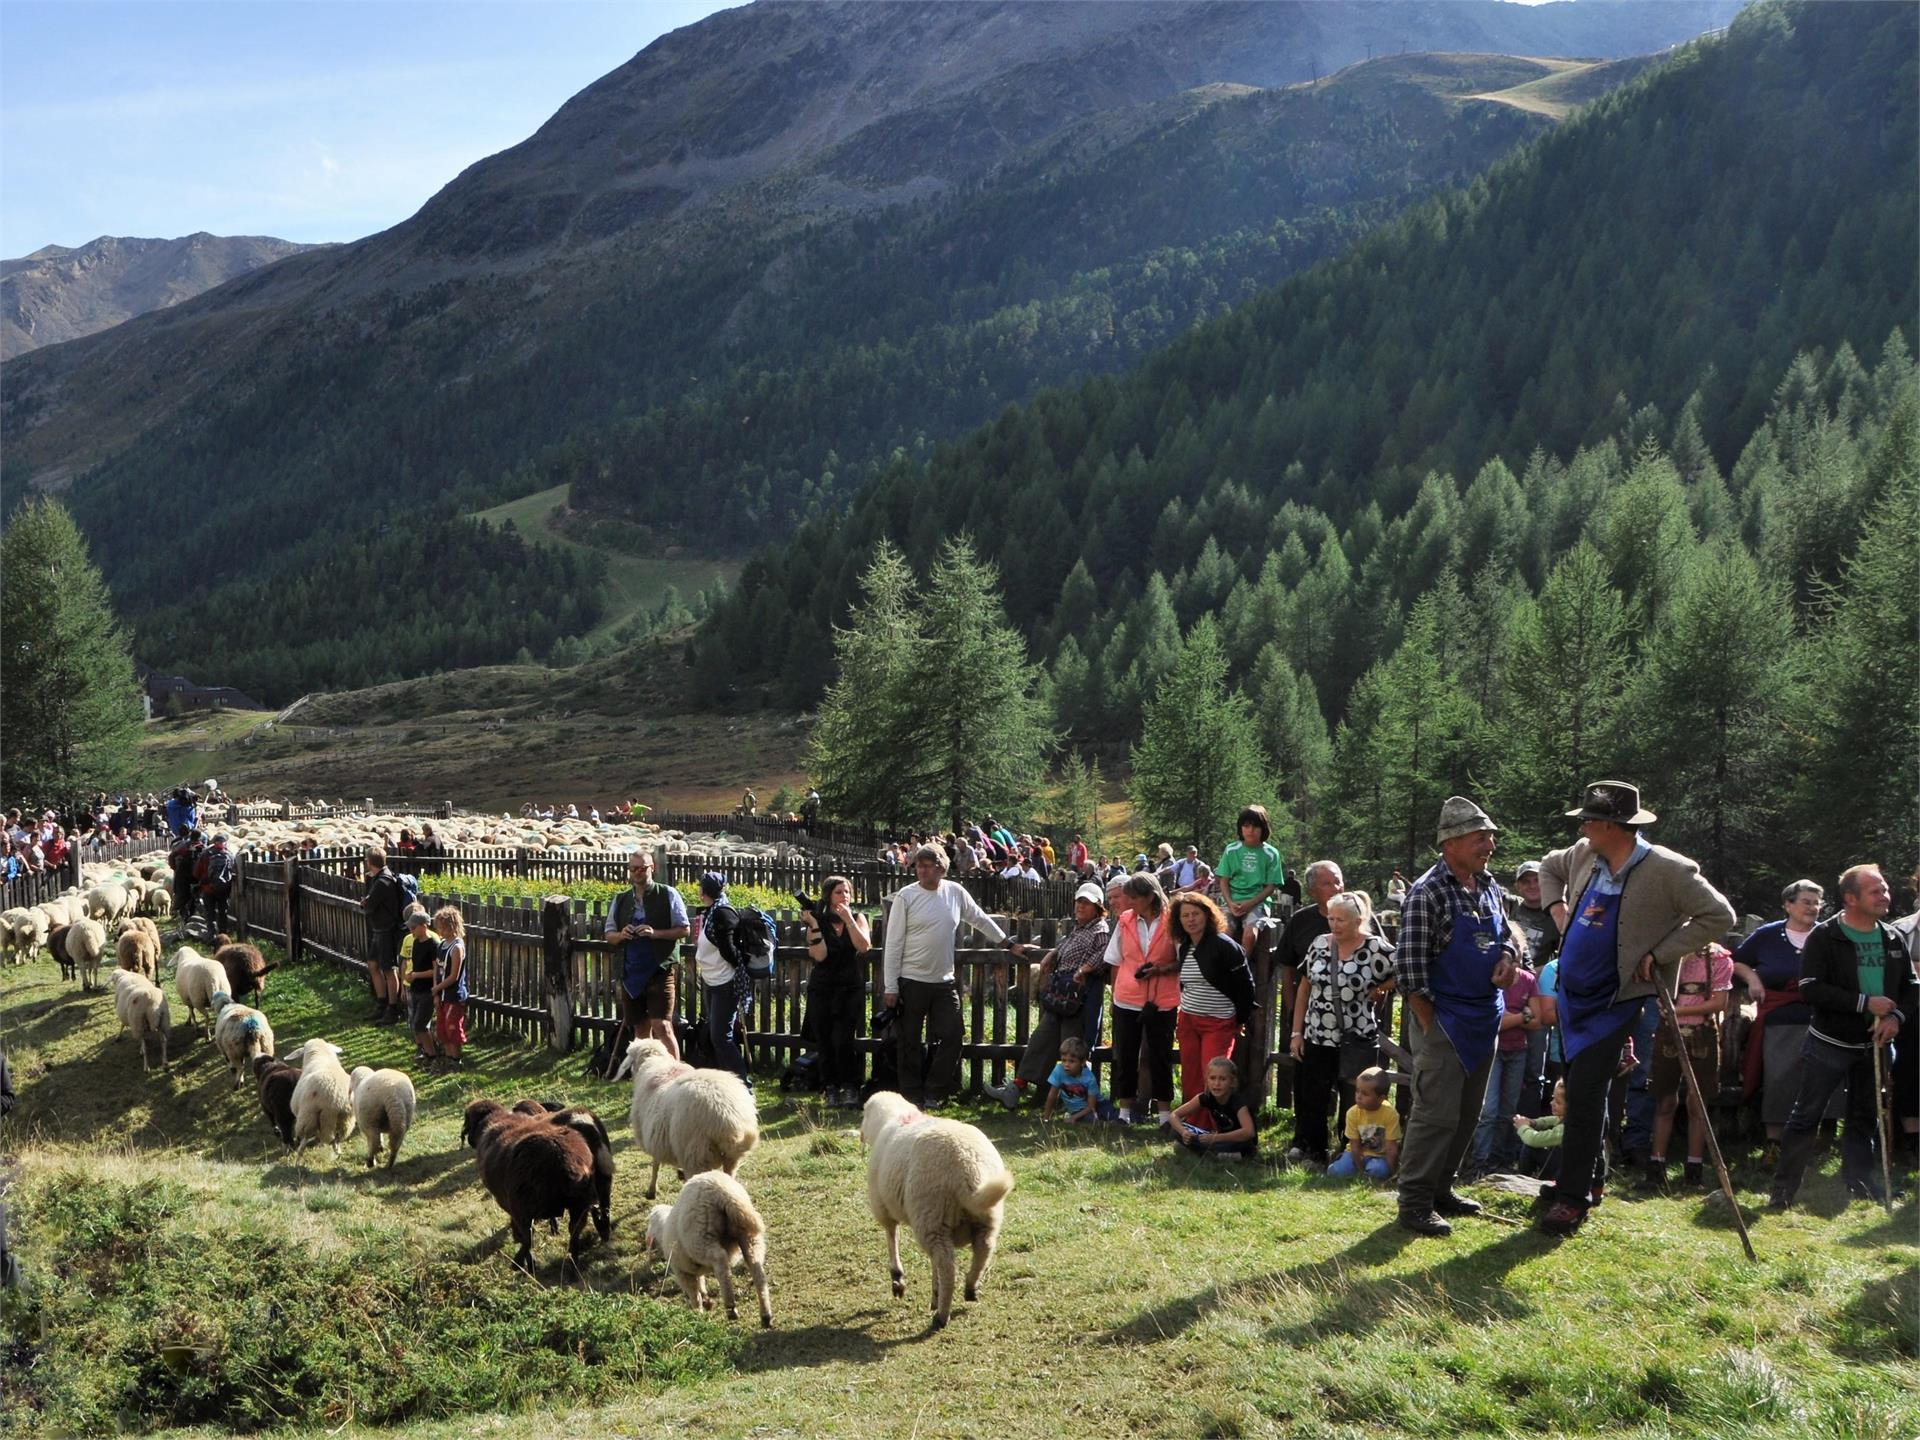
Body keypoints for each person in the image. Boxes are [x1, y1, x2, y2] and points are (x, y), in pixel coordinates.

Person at [1535, 780, 1735, 1236]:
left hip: (1618, 997)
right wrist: (1558, 912)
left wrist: (1662, 952)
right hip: (1573, 995)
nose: (1582, 826)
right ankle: (1590, 1178)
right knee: (1586, 1088)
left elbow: (1718, 916)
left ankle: (1572, 1199)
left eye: (1589, 819)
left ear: (1612, 826)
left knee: (1585, 1092)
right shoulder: (1585, 854)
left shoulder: (1668, 869)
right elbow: (1549, 867)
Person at [1394, 796, 1521, 1238]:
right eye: (1480, 837)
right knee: (1434, 1117)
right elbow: (1409, 970)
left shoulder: (1488, 885)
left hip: (1485, 1018)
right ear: (1450, 844)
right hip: (1444, 1022)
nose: (1490, 845)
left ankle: (1442, 1190)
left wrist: (1509, 955)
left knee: (1467, 1115)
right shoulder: (1428, 892)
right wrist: (1432, 1028)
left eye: (1490, 837)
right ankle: (1413, 1203)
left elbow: (1509, 934)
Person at [1769, 864, 1915, 1208]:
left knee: (1865, 1116)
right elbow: (1810, 988)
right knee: (1807, 1115)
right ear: (1851, 898)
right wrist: (1865, 1002)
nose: (1886, 896)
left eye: (1885, 889)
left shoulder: (1892, 937)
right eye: (1876, 891)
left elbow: (1911, 987)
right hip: (1829, 1043)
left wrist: (1895, 1016)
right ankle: (1784, 1191)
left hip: (1876, 1044)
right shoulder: (1825, 936)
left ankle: (1861, 1184)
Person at [884, 844, 1032, 1108]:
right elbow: (893, 943)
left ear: (941, 867)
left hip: (943, 981)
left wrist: (1008, 945)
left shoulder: (955, 892)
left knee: (952, 1036)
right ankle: (911, 1096)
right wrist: (891, 986)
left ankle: (934, 1092)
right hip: (911, 980)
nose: (922, 869)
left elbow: (979, 918)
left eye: (928, 865)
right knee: (909, 1042)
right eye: (919, 865)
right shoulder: (906, 897)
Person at [1288, 889, 1395, 1165]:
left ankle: (1357, 1154)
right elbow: (1304, 989)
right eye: (1331, 919)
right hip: (1318, 1034)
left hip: (1357, 1036)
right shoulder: (1319, 944)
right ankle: (1315, 1152)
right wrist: (1297, 1032)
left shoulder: (1375, 948)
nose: (1334, 925)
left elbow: (1404, 972)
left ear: (1358, 920)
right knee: (1314, 1096)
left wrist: (1381, 988)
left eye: (1341, 920)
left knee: (1359, 1097)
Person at [986, 881, 1113, 1111]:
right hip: (1061, 997)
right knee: (1040, 1041)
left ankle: (1073, 1101)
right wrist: (1052, 954)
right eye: (1078, 901)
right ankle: (1017, 1088)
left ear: (1098, 907)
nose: (1080, 906)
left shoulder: (1100, 930)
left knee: (1071, 1048)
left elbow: (1103, 955)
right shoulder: (1079, 929)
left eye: (1086, 903)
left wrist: (1084, 970)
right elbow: (1065, 947)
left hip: (1078, 1000)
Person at [1733, 880, 1829, 1162]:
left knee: (1824, 1078)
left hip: (1823, 1018)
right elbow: (1737, 961)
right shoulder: (1768, 935)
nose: (1812, 908)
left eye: (1816, 903)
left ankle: (1820, 1142)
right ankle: (1774, 1142)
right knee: (1779, 1078)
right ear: (1788, 904)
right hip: (1779, 1019)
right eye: (1806, 902)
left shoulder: (1827, 935)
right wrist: (1753, 979)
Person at [1643, 940, 1733, 1189]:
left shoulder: (1718, 958)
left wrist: (1676, 1011)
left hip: (1702, 1032)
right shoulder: (1666, 953)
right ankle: (1655, 1168)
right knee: (1665, 1101)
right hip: (1668, 1033)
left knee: (1697, 1104)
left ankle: (1694, 1171)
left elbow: (1719, 1002)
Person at [1103, 871, 1179, 1124]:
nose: (1129, 902)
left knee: (1160, 1056)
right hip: (1127, 997)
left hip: (1162, 998)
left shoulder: (1172, 921)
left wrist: (1162, 969)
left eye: (1134, 897)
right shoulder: (1125, 920)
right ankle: (1124, 1113)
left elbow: (1183, 959)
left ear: (1150, 897)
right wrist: (1114, 996)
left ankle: (1165, 1116)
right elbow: (1114, 959)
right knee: (1125, 1055)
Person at [1168, 892, 1254, 1102]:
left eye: (1195, 913)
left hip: (1218, 1022)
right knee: (1191, 1075)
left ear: (1207, 915)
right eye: (1185, 915)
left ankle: (1215, 1126)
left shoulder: (1224, 945)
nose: (1191, 919)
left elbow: (1246, 985)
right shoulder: (1185, 946)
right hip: (1188, 1020)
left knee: (1215, 1077)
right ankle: (1192, 1124)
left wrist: (1241, 1019)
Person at [605, 851, 689, 1061]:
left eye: (642, 868)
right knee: (640, 1030)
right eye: (633, 868)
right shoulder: (621, 899)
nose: (637, 873)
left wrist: (655, 933)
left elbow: (684, 929)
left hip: (659, 969)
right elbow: (609, 935)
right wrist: (621, 935)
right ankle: (644, 1078)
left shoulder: (668, 894)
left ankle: (675, 1077)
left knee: (662, 1026)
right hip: (631, 972)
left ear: (653, 868)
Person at [802, 875, 873, 1108]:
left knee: (843, 1039)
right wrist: (813, 925)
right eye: (839, 892)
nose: (844, 896)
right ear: (829, 896)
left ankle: (850, 1086)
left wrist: (849, 920)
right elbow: (819, 955)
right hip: (822, 988)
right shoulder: (818, 920)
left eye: (847, 892)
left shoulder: (858, 917)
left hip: (849, 988)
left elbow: (863, 946)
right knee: (824, 1041)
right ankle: (829, 1087)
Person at [1469, 961, 1542, 1175]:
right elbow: (1492, 1021)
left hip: (1518, 1051)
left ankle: (1498, 1159)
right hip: (1492, 1050)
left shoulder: (1528, 980)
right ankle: (1479, 1160)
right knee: (1489, 1110)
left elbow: (1537, 1020)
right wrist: (1522, 1016)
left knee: (1508, 1110)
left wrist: (1509, 1017)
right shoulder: (1491, 976)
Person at [692, 873, 752, 1088]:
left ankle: (744, 1085)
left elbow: (729, 950)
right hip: (712, 979)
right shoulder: (712, 912)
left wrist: (737, 967)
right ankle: (726, 1081)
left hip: (725, 983)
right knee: (716, 1034)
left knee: (720, 1037)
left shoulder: (721, 914)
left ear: (703, 891)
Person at [1215, 805, 1286, 945]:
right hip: (1231, 902)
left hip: (1257, 903)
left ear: (1263, 829)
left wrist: (1249, 904)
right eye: (1246, 826)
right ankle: (1224, 966)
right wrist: (1230, 903)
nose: (1250, 830)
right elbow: (1223, 880)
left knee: (1249, 935)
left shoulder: (1271, 854)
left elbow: (1271, 886)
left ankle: (1244, 964)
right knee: (1223, 933)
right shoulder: (1231, 850)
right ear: (1241, 828)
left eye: (1255, 827)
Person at [1166, 1056, 1257, 1157]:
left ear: (1232, 1082)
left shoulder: (1238, 1102)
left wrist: (1215, 1138)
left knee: (1246, 1145)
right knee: (1175, 1130)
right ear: (1207, 1080)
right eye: (1212, 1078)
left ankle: (1211, 1153)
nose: (1216, 1084)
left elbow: (1249, 1132)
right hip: (1217, 1140)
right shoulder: (1206, 1097)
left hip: (1235, 1142)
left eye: (1222, 1079)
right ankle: (1216, 1154)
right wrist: (1183, 1132)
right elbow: (1174, 1115)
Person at [358, 846, 407, 1024]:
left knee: (388, 968)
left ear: (370, 862)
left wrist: (365, 903)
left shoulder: (383, 881)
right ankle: (381, 1003)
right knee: (373, 965)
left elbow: (368, 905)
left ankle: (392, 1008)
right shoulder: (379, 878)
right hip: (379, 929)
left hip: (386, 930)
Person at [1329, 1067, 1401, 1180]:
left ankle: (1370, 1171)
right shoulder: (1352, 1113)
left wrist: (1393, 1175)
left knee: (1378, 1171)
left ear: (1381, 1098)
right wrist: (1361, 1170)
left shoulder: (1390, 1114)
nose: (1358, 1096)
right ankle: (1347, 1164)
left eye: (1365, 1094)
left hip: (1379, 1157)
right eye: (1357, 1091)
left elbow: (1391, 1148)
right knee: (1336, 1172)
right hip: (1355, 1155)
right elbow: (1355, 1146)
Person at [403, 906, 443, 1067]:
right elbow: (416, 965)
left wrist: (417, 976)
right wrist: (410, 974)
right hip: (416, 987)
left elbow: (435, 970)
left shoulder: (433, 944)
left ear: (423, 926)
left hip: (427, 989)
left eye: (413, 927)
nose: (411, 930)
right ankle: (428, 1053)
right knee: (417, 1024)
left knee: (420, 1024)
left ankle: (432, 1055)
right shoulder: (416, 942)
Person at [430, 905, 468, 1067]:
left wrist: (437, 989)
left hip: (453, 994)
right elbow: (436, 969)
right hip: (441, 994)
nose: (440, 932)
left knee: (452, 1027)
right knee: (442, 1028)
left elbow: (453, 976)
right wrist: (436, 992)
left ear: (452, 926)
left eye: (443, 928)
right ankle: (447, 1058)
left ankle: (456, 1060)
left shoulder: (457, 948)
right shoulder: (442, 945)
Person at [1042, 1037, 1107, 1124]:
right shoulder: (1059, 1071)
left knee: (1110, 1115)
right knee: (1089, 1120)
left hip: (1099, 1104)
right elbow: (1052, 1095)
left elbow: (1092, 1106)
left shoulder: (1089, 1078)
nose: (1066, 1065)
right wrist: (1046, 1118)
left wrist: (1073, 1118)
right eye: (1064, 1060)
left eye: (1071, 1061)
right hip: (1079, 1110)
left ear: (1083, 1062)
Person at [1514, 1079, 1569, 1178]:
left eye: (1558, 1102)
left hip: (1564, 1172)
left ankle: (1523, 1178)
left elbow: (1534, 1139)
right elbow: (1548, 1120)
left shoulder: (1567, 1129)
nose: (1552, 1103)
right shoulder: (1566, 1119)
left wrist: (1522, 1127)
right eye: (1553, 1098)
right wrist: (1532, 1122)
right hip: (1564, 1167)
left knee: (1529, 1147)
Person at [195, 833, 235, 941]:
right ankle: (223, 935)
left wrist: (202, 881)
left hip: (208, 888)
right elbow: (233, 871)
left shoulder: (206, 853)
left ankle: (211, 935)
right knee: (223, 912)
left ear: (214, 841)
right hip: (223, 889)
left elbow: (197, 871)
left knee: (209, 912)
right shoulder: (229, 854)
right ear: (225, 842)